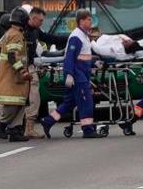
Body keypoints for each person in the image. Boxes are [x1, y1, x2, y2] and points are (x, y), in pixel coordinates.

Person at [41, 9, 102, 139]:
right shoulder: (77, 37)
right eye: (89, 19)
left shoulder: (83, 35)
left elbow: (83, 56)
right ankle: (88, 130)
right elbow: (69, 57)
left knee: (69, 103)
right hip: (77, 75)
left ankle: (48, 121)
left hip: (80, 73)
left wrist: (94, 63)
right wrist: (69, 74)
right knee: (86, 101)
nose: (91, 21)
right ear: (81, 21)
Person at [21, 5, 68, 139]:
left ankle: (28, 128)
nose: (42, 23)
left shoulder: (35, 30)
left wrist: (68, 38)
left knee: (33, 97)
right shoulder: (22, 31)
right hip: (21, 67)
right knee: (17, 100)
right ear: (33, 18)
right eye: (40, 20)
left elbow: (49, 38)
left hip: (29, 66)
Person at [0, 7, 32, 142]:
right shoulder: (15, 34)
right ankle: (0, 126)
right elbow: (12, 56)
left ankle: (15, 131)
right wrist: (22, 71)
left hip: (17, 77)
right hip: (14, 76)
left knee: (20, 104)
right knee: (12, 105)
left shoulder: (12, 33)